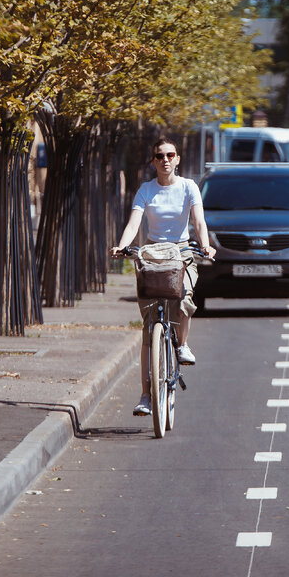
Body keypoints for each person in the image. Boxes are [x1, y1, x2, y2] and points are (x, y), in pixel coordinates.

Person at [111, 138, 216, 417]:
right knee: (148, 331)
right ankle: (146, 396)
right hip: (154, 253)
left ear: (177, 159)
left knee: (184, 299)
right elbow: (134, 222)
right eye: (160, 156)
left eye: (170, 155)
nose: (165, 159)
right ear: (153, 161)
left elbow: (199, 222)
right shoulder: (146, 190)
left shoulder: (188, 187)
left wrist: (204, 245)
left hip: (181, 252)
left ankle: (181, 345)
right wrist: (122, 246)